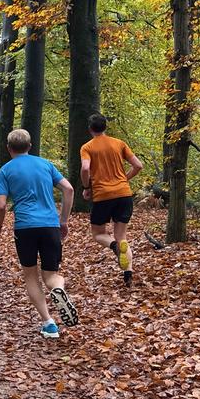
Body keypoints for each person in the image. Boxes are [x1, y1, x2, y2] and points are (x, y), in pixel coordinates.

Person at [0, 128, 78, 338]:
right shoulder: (45, 165)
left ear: (8, 148)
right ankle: (59, 289)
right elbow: (68, 189)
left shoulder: (5, 170)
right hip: (50, 226)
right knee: (51, 275)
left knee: (31, 275)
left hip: (25, 228)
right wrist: (63, 220)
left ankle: (48, 323)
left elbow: (1, 205)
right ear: (30, 146)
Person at [79, 113, 143, 287]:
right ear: (105, 126)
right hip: (124, 194)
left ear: (90, 129)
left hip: (102, 195)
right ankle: (128, 272)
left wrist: (86, 188)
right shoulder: (119, 143)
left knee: (99, 234)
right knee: (122, 236)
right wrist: (124, 179)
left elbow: (85, 168)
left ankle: (114, 247)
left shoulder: (87, 147)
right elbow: (138, 165)